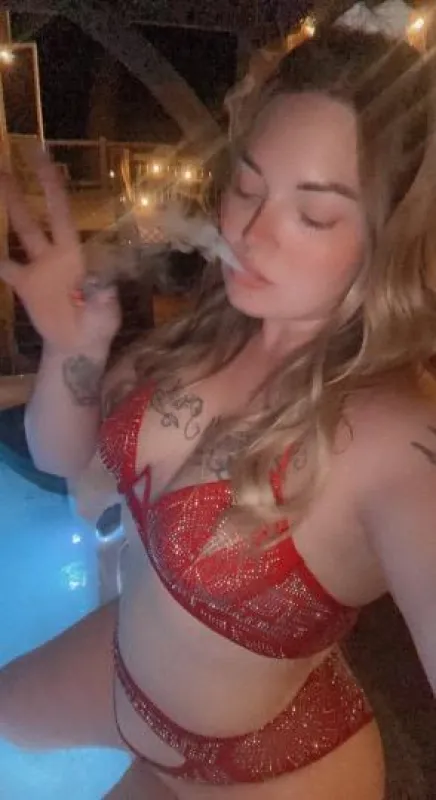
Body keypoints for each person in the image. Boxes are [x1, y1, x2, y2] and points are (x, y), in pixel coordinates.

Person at [0, 22, 435, 800]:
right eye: (248, 188)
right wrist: (70, 349)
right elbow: (60, 458)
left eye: (314, 214)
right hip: (120, 673)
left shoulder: (391, 433)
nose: (251, 233)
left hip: (265, 770)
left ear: (388, 235)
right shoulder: (206, 334)